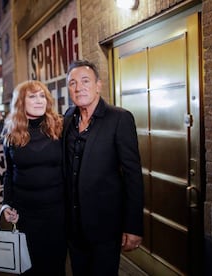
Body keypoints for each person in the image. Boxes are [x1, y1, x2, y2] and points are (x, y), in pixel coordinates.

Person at [63, 60, 144, 276]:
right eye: (72, 83)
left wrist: (133, 226)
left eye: (85, 81)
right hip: (73, 228)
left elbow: (133, 175)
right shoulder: (66, 119)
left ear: (98, 85)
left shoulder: (119, 118)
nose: (79, 87)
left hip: (106, 227)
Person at [1, 80, 66, 275]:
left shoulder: (60, 126)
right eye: (32, 96)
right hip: (26, 213)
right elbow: (9, 172)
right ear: (21, 102)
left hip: (57, 212)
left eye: (42, 96)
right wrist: (6, 204)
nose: (39, 100)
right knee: (29, 268)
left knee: (55, 267)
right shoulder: (11, 132)